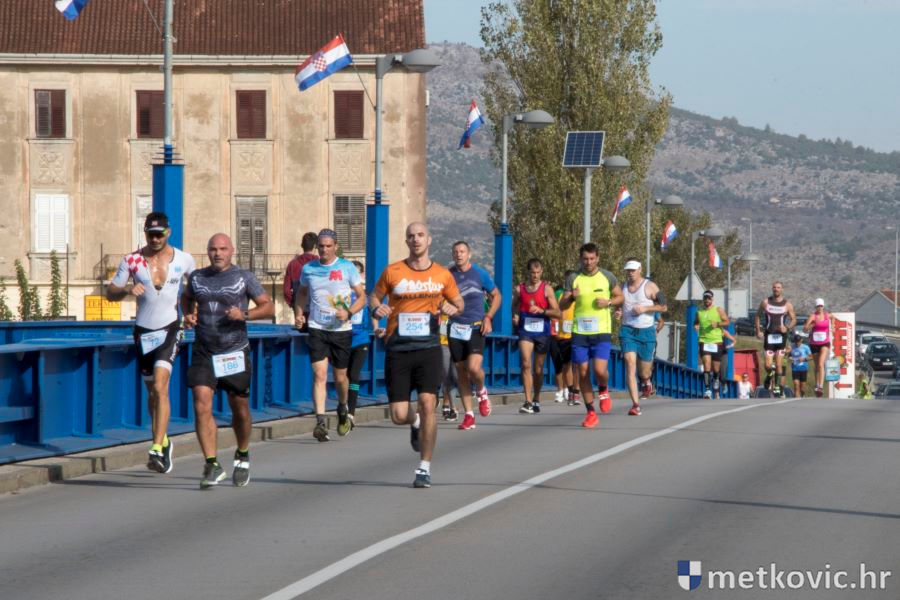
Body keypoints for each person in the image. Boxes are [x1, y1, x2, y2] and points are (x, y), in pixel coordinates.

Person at [370, 222, 463, 488]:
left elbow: (459, 302)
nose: (416, 240)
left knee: (427, 402)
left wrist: (452, 308)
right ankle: (415, 421)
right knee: (399, 415)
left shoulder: (442, 274)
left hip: (429, 348)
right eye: (411, 236)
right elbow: (374, 297)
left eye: (420, 235)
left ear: (429, 240)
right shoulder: (393, 271)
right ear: (406, 241)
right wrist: (376, 309)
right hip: (398, 348)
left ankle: (424, 468)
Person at [182, 233, 274, 488]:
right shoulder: (197, 278)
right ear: (208, 251)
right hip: (204, 350)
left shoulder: (244, 277)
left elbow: (268, 306)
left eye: (223, 249)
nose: (218, 253)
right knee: (201, 401)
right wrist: (188, 314)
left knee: (239, 407)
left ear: (232, 250)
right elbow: (186, 297)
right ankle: (211, 464)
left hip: (234, 351)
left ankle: (242, 453)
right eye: (213, 249)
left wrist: (245, 314)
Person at [107, 212, 196, 474]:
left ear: (168, 233)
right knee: (152, 393)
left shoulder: (184, 259)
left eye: (159, 234)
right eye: (150, 234)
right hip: (143, 332)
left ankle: (156, 448)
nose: (155, 239)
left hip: (170, 328)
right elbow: (110, 292)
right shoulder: (132, 260)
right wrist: (126, 290)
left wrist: (193, 311)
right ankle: (164, 440)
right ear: (145, 233)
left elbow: (197, 287)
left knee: (160, 385)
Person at [294, 230, 367, 441]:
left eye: (328, 246)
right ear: (317, 247)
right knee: (319, 374)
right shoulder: (309, 269)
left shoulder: (347, 267)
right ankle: (320, 422)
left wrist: (349, 312)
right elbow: (302, 293)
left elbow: (362, 297)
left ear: (336, 246)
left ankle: (343, 407)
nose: (324, 250)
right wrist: (299, 314)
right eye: (321, 246)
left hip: (341, 330)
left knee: (340, 377)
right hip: (317, 328)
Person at [559, 243, 624, 428]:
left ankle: (603, 389)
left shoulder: (607, 276)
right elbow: (562, 305)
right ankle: (590, 412)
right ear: (580, 259)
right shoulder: (573, 278)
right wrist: (571, 297)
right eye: (585, 259)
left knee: (599, 370)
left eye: (592, 259)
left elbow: (620, 297)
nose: (588, 262)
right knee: (582, 372)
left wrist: (609, 302)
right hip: (580, 332)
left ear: (598, 258)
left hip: (601, 331)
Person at [448, 241, 502, 430]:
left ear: (469, 254)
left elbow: (497, 295)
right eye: (456, 251)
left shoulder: (479, 273)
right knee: (461, 371)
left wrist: (489, 317)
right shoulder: (448, 275)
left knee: (473, 368)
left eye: (462, 251)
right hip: (455, 327)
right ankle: (469, 416)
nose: (459, 254)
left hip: (475, 326)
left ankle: (481, 390)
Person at [512, 258, 561, 415]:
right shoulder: (520, 289)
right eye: (533, 272)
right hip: (525, 330)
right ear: (528, 272)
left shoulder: (547, 289)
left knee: (538, 369)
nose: (535, 276)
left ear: (541, 272)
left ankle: (536, 398)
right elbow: (514, 305)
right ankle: (527, 401)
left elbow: (558, 313)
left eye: (538, 272)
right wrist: (516, 315)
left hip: (542, 332)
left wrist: (542, 311)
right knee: (526, 363)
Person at [619, 259, 667, 416]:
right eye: (628, 270)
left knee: (644, 372)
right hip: (628, 331)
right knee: (629, 363)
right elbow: (619, 305)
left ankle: (646, 381)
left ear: (640, 269)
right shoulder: (623, 287)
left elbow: (664, 307)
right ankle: (635, 405)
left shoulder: (650, 286)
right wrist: (618, 312)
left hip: (646, 333)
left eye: (633, 270)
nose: (630, 273)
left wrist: (645, 308)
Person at [346, 260, 380, 428]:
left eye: (357, 273)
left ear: (362, 275)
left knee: (354, 374)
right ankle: (343, 406)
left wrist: (376, 328)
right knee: (343, 376)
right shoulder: (341, 296)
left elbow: (374, 314)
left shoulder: (365, 298)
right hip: (343, 340)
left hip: (361, 340)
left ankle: (350, 413)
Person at [755, 281, 796, 397]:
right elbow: (757, 315)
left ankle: (777, 386)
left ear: (782, 289)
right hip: (769, 336)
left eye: (778, 287)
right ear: (772, 289)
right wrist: (758, 330)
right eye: (774, 287)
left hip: (781, 337)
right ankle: (769, 376)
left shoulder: (787, 304)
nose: (776, 289)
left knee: (778, 364)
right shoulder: (766, 302)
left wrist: (787, 327)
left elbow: (794, 319)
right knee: (768, 365)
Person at [694, 290, 730, 399]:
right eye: (705, 298)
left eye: (709, 298)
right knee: (706, 364)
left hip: (716, 342)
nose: (707, 300)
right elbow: (695, 322)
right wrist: (696, 326)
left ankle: (716, 379)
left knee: (716, 368)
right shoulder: (699, 312)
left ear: (712, 299)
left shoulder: (718, 310)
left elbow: (727, 321)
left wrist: (718, 324)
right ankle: (707, 390)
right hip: (704, 341)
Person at [550, 271, 577, 404]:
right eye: (568, 281)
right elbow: (553, 310)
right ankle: (560, 390)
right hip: (557, 335)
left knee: (569, 364)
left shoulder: (579, 296)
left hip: (573, 334)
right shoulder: (558, 294)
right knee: (558, 364)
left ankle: (568, 389)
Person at [282, 231, 318, 325]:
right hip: (317, 308)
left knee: (300, 331)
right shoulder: (320, 263)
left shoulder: (293, 264)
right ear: (315, 246)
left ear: (302, 245)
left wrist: (294, 304)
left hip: (299, 310)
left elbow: (286, 291)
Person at [802, 298, 836, 397]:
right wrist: (811, 325)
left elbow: (833, 317)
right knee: (817, 366)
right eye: (818, 306)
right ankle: (817, 385)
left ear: (823, 306)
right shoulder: (813, 316)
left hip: (825, 343)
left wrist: (833, 325)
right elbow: (804, 329)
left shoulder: (827, 315)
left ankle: (820, 386)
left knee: (821, 364)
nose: (819, 308)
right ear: (815, 307)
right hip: (814, 344)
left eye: (821, 306)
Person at [439, 313, 460, 421]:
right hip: (443, 341)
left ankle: (446, 403)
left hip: (459, 339)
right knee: (446, 374)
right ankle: (453, 408)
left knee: (456, 376)